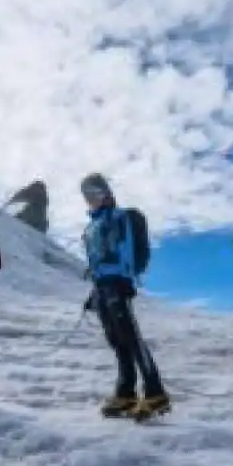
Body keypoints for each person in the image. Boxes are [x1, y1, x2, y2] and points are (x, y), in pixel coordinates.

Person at [80, 173, 170, 420]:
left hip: (119, 283)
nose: (91, 199)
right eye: (87, 195)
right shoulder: (92, 227)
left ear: (106, 192)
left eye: (95, 193)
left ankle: (155, 392)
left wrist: (128, 277)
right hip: (103, 287)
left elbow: (135, 251)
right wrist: (94, 292)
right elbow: (97, 261)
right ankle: (126, 392)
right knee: (116, 340)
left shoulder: (124, 217)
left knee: (131, 338)